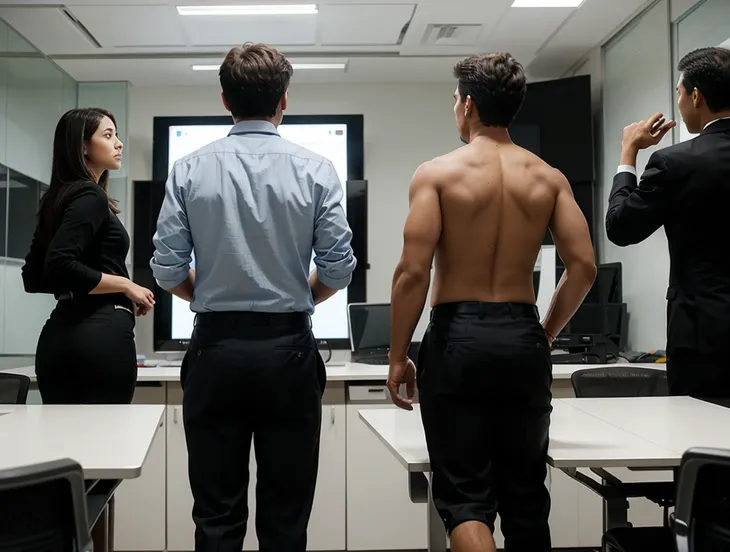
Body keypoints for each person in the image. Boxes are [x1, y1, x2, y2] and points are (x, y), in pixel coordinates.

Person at [387, 53, 597, 552]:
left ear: (468, 105)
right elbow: (584, 268)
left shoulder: (437, 174)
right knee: (525, 495)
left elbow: (412, 272)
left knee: (464, 498)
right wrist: (544, 333)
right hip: (522, 336)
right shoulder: (549, 177)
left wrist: (398, 356)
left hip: (458, 337)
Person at [150, 42, 356, 552]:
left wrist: (206, 295)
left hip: (215, 353)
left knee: (216, 518)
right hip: (288, 353)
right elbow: (338, 268)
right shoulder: (317, 169)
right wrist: (300, 295)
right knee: (286, 520)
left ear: (225, 100)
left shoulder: (189, 169)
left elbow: (167, 268)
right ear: (284, 100)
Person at [606, 47, 730, 399]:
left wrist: (628, 152)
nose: (679, 101)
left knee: (703, 442)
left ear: (696, 96)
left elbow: (620, 227)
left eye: (679, 93)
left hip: (703, 344)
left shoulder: (676, 163)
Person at [21, 107, 154, 405]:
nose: (119, 143)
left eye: (116, 135)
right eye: (108, 135)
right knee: (105, 443)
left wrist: (84, 284)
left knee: (64, 446)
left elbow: (33, 276)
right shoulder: (90, 196)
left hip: (58, 337)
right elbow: (60, 265)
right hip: (100, 338)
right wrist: (124, 285)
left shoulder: (57, 198)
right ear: (82, 146)